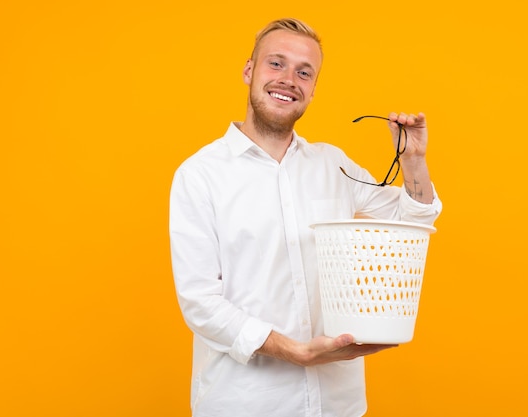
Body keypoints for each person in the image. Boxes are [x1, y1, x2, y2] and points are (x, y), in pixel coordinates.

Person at [169, 17, 442, 417]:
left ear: (313, 90)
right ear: (249, 71)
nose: (288, 79)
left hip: (336, 405)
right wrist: (293, 351)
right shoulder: (200, 175)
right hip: (245, 404)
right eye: (275, 64)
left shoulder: (334, 165)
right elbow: (200, 303)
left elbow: (413, 225)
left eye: (304, 72)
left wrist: (414, 162)